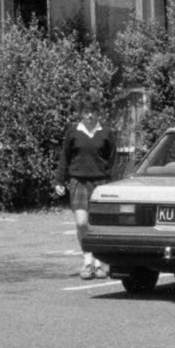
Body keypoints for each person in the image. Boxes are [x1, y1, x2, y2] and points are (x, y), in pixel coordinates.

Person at [60, 102, 116, 279]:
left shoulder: (106, 132)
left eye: (93, 111)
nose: (90, 115)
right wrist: (59, 180)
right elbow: (65, 157)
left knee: (97, 225)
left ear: (98, 113)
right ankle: (87, 262)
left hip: (101, 183)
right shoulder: (73, 131)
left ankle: (98, 265)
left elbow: (113, 159)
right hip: (78, 181)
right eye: (86, 112)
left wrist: (113, 184)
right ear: (81, 113)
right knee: (82, 223)